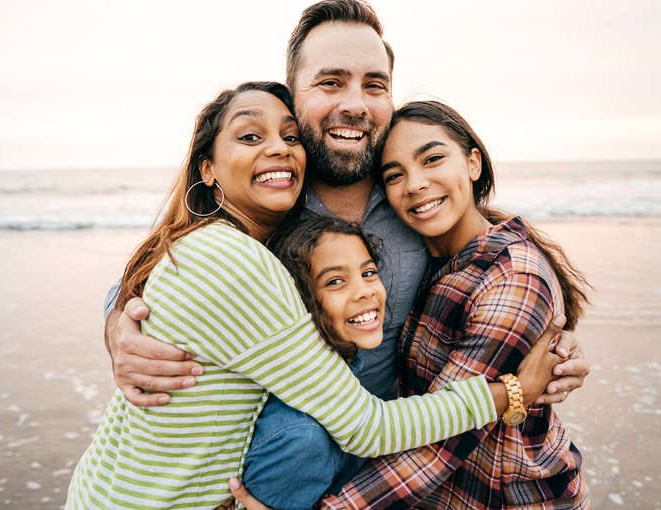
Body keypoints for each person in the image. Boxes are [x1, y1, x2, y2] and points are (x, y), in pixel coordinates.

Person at [66, 82, 559, 510]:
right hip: (147, 499)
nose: (279, 148)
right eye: (250, 136)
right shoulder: (237, 259)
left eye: (289, 136)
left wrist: (539, 301)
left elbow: (471, 245)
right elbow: (367, 426)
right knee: (306, 436)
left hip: (127, 485)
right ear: (208, 169)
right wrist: (513, 393)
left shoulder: (242, 238)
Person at [313, 101, 592, 509]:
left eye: (433, 159)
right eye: (395, 175)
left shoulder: (514, 277)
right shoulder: (414, 259)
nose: (415, 184)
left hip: (511, 497)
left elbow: (442, 441)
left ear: (473, 163)